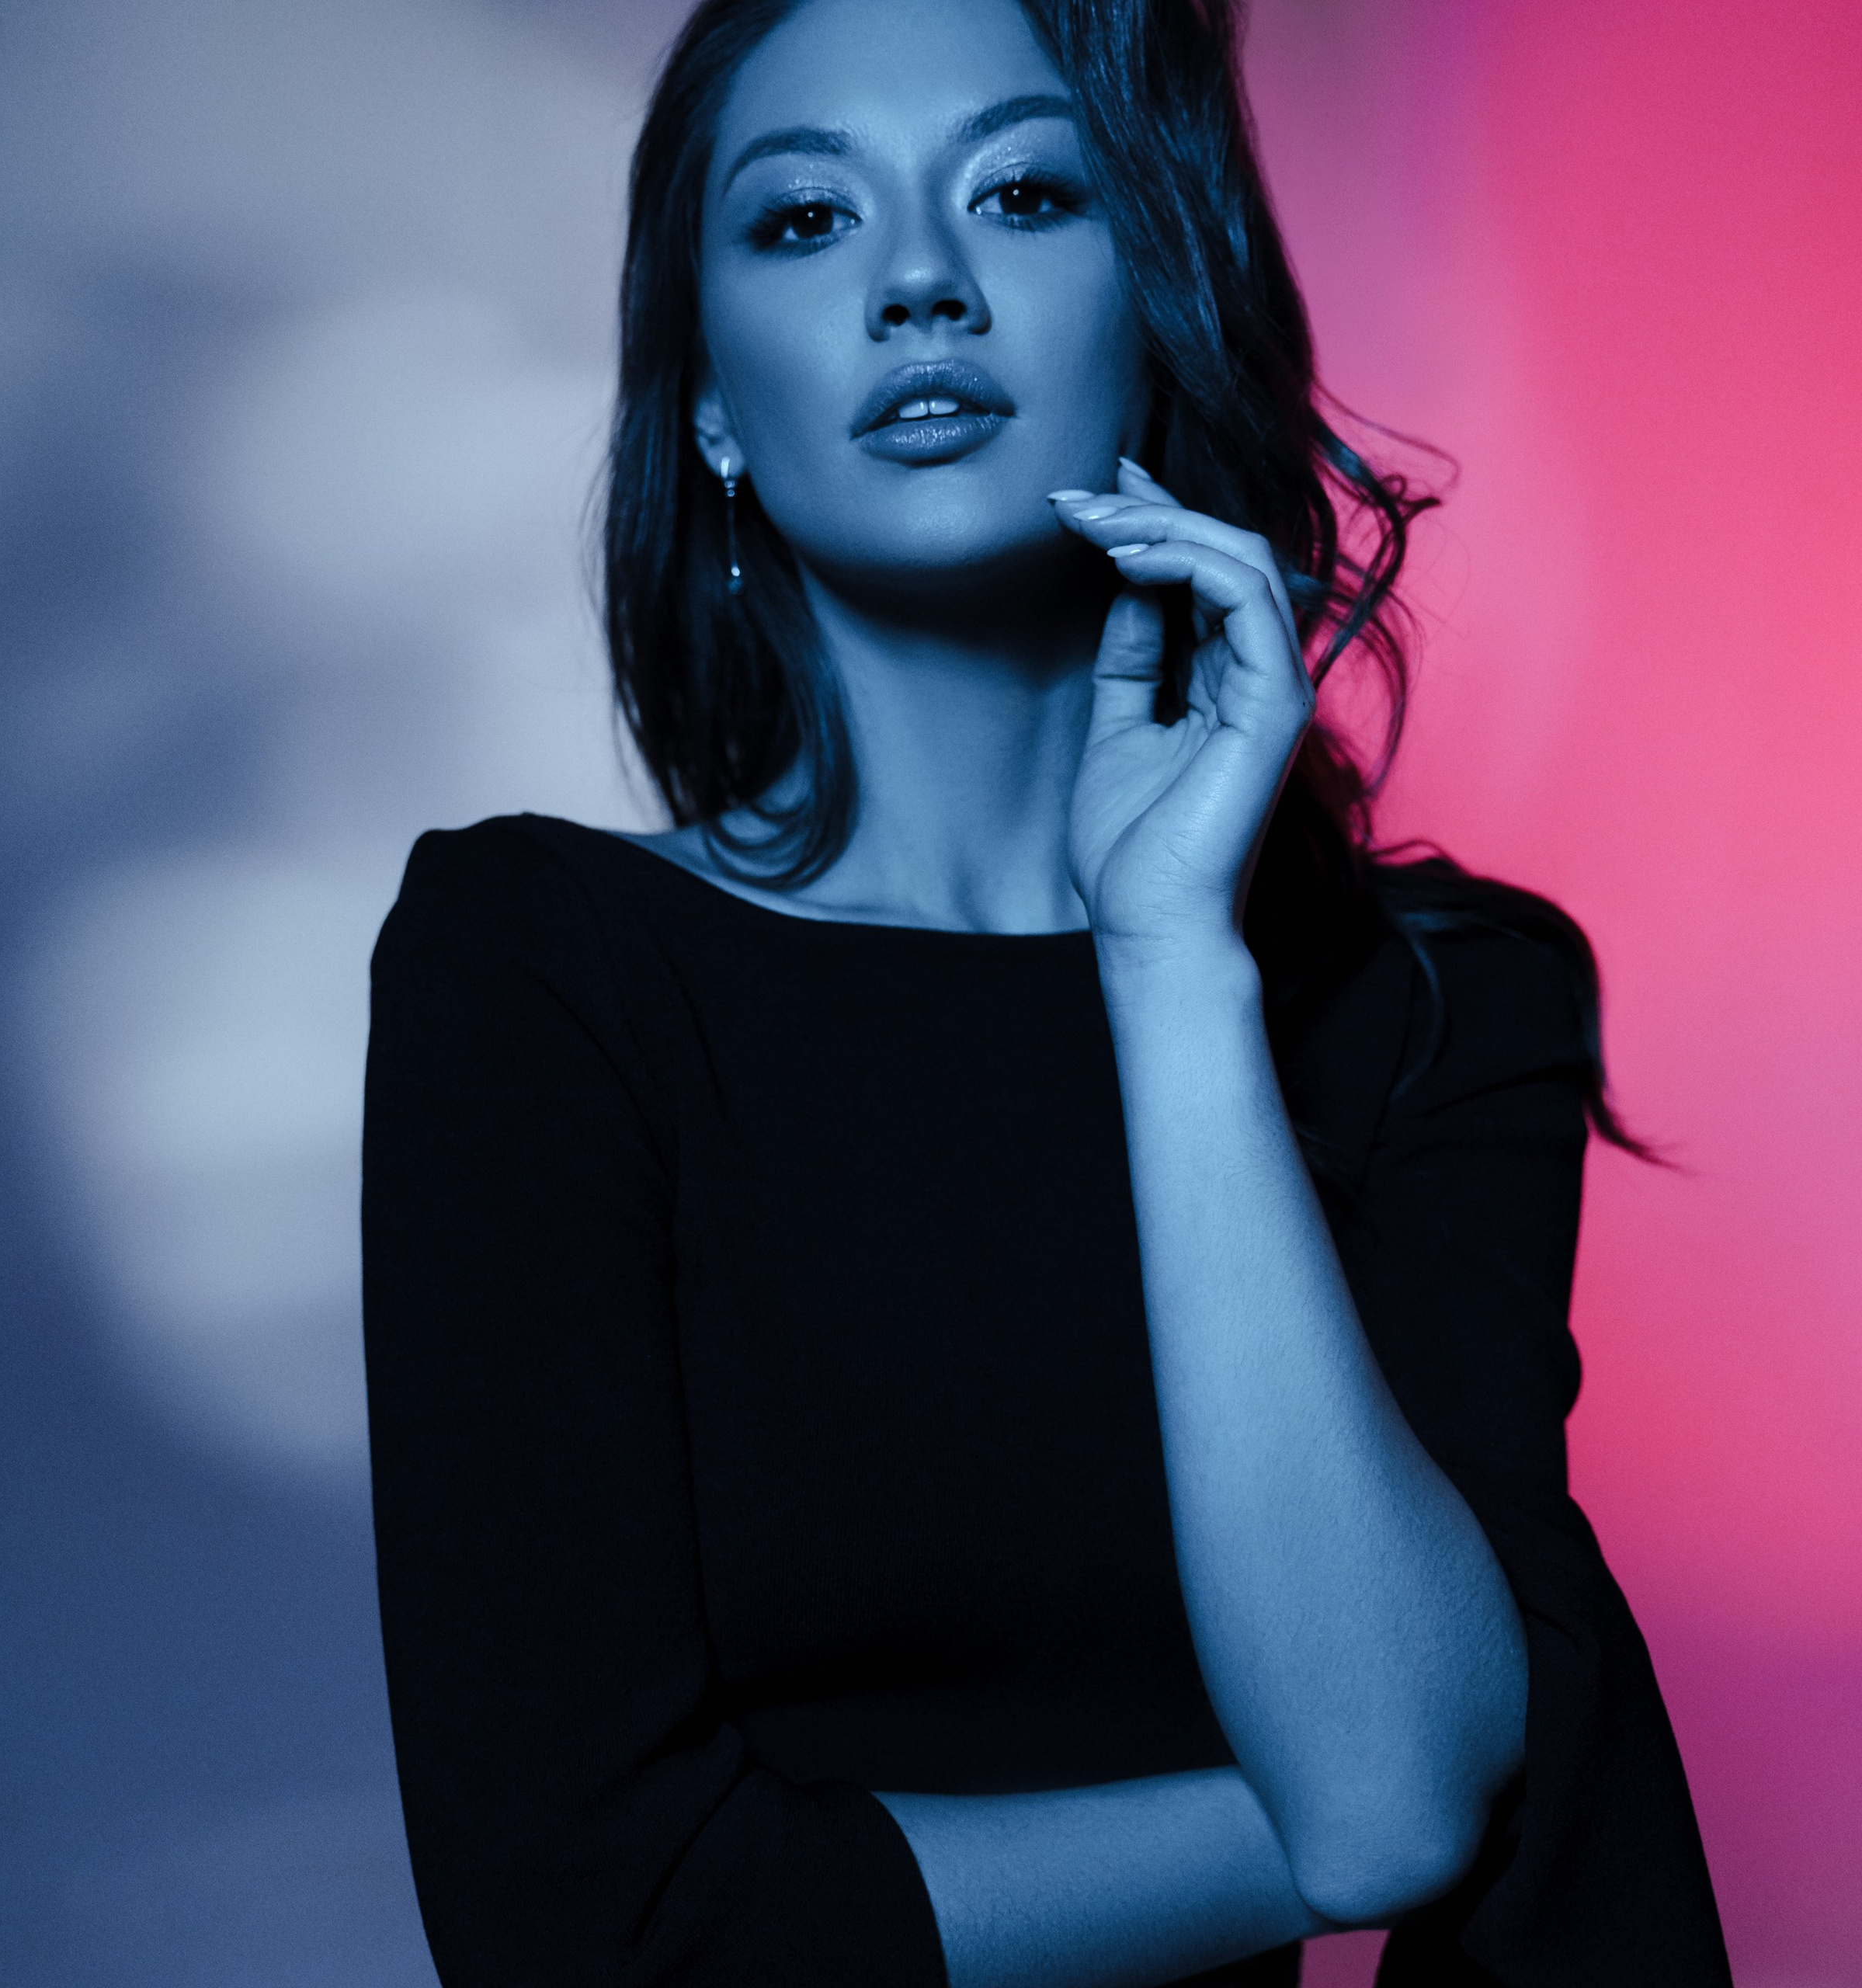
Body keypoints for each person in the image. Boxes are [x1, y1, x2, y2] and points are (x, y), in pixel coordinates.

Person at [360, 0, 1731, 1981]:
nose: (920, 281)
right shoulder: (542, 970)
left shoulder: (1442, 1006)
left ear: (1152, 303)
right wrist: (1331, 1831)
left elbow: (1385, 1767)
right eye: (806, 222)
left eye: (1019, 192)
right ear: (712, 407)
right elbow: (596, 1922)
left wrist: (1169, 958)